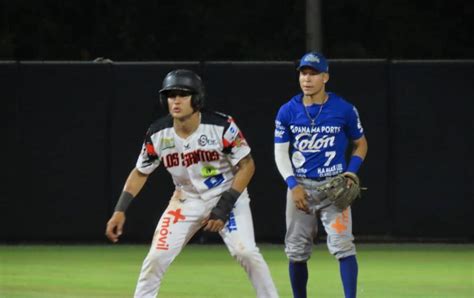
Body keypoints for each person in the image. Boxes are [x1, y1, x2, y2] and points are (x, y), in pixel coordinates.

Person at [105, 69, 279, 298]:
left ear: (196, 98)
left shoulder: (221, 126)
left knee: (245, 252)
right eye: (170, 95)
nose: (175, 100)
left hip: (227, 195)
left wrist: (224, 206)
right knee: (156, 257)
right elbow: (140, 172)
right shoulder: (158, 133)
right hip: (185, 199)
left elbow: (247, 165)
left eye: (183, 94)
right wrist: (119, 210)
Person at [273, 52, 368, 298]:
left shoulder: (344, 109)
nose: (307, 78)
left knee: (343, 246)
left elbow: (361, 144)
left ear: (325, 77)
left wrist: (350, 173)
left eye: (313, 73)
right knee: (296, 251)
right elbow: (280, 153)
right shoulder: (287, 111)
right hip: (300, 187)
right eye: (303, 73)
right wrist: (293, 185)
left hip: (334, 188)